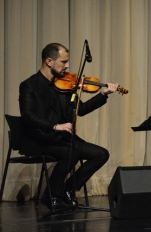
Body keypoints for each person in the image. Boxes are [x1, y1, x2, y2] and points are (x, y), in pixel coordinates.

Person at [18, 43, 119, 210]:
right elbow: (28, 117)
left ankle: (67, 189)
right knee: (70, 152)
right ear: (49, 61)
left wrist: (102, 95)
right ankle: (51, 195)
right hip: (40, 139)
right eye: (64, 62)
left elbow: (82, 109)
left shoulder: (64, 85)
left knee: (101, 154)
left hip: (63, 139)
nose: (68, 66)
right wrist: (55, 126)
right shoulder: (29, 85)